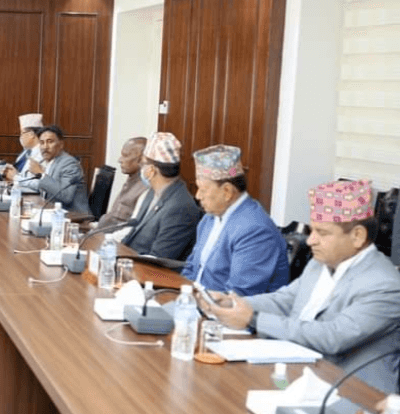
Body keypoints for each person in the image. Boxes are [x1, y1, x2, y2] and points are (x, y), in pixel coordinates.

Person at [203, 179, 400, 393]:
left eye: (322, 233)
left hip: (350, 391)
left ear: (357, 236)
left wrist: (253, 319)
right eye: (312, 230)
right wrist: (232, 302)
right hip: (297, 372)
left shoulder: (384, 285)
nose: (310, 241)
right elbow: (285, 300)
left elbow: (333, 336)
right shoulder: (319, 263)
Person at [180, 144, 288, 295]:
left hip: (223, 307)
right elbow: (191, 268)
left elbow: (239, 294)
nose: (198, 196)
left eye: (203, 189)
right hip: (195, 300)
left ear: (227, 191)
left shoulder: (255, 230)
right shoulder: (209, 219)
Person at [119, 132, 201, 262]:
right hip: (128, 261)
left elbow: (158, 259)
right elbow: (131, 232)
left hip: (147, 270)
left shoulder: (180, 207)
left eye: (143, 163)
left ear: (151, 170)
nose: (140, 167)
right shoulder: (152, 192)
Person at [15, 125, 91, 215]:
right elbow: (45, 188)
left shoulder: (69, 163)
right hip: (53, 211)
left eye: (50, 142)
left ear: (61, 145)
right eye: (42, 143)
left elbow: (66, 196)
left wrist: (41, 173)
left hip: (74, 216)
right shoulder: (51, 161)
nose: (45, 147)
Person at [96, 136, 149, 229]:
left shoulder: (145, 188)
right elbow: (113, 216)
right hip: (102, 231)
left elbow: (129, 228)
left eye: (125, 155)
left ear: (141, 159)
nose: (120, 160)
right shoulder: (131, 179)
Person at [2, 113, 42, 183]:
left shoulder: (42, 154)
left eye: (22, 133)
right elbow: (21, 172)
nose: (21, 137)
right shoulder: (26, 151)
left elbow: (35, 182)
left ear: (31, 135)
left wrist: (14, 177)